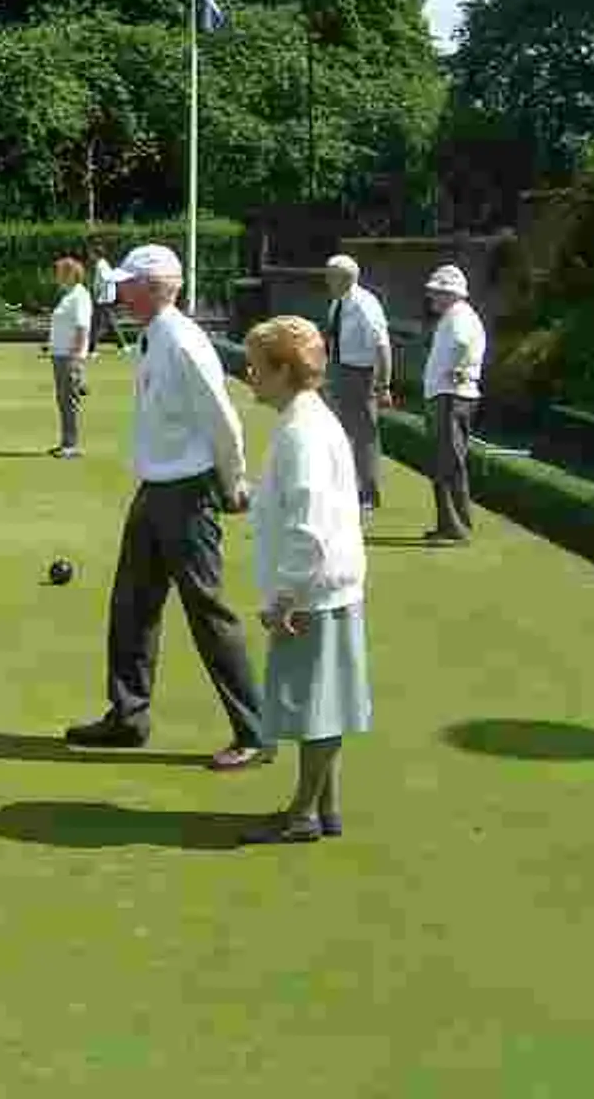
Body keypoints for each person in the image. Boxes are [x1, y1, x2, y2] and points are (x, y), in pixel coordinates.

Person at [66, 243, 266, 771]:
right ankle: (128, 715)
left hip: (188, 492)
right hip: (156, 488)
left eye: (130, 284)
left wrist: (234, 481)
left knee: (208, 611)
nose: (122, 292)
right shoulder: (155, 337)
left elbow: (223, 418)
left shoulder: (182, 341)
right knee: (131, 605)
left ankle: (256, 731)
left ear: (155, 288)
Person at [238, 315, 370, 845]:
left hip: (313, 591)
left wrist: (286, 595)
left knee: (315, 706)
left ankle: (302, 813)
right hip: (325, 585)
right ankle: (327, 805)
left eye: (257, 367)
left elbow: (309, 525)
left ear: (284, 371)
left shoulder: (301, 431)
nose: (250, 376)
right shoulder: (307, 419)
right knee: (324, 700)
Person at [322, 254, 392, 515]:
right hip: (340, 371)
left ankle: (368, 495)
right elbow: (332, 339)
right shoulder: (338, 303)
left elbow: (382, 346)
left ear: (345, 278)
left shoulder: (365, 305)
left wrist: (384, 385)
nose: (327, 280)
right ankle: (346, 488)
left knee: (364, 437)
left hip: (361, 375)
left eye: (330, 275)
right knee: (340, 434)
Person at [422, 264, 487, 545]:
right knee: (444, 461)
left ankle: (457, 529)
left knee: (448, 462)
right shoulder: (455, 315)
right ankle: (448, 525)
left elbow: (461, 343)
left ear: (450, 293)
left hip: (451, 396)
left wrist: (457, 368)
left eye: (437, 292)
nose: (432, 297)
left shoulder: (459, 316)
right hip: (448, 395)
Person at [47, 255, 92, 458]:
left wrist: (77, 357)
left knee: (69, 400)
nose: (56, 277)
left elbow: (82, 328)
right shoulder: (69, 295)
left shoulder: (79, 296)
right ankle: (66, 442)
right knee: (63, 400)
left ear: (70, 274)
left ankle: (71, 445)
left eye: (59, 273)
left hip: (69, 356)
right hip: (60, 354)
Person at [90, 243, 130, 351]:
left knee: (96, 323)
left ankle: (91, 349)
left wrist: (98, 294)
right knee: (109, 322)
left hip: (102, 298)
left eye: (92, 254)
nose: (90, 256)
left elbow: (104, 281)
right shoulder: (103, 264)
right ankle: (123, 345)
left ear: (96, 254)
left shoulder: (101, 265)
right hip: (105, 298)